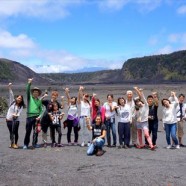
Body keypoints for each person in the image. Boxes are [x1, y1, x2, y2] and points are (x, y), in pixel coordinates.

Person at [23, 78, 44, 149]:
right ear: (32, 93)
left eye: (37, 92)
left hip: (37, 118)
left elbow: (41, 109)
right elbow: (27, 91)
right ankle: (26, 144)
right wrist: (29, 83)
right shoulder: (29, 98)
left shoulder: (39, 101)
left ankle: (34, 143)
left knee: (36, 132)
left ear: (38, 94)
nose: (35, 93)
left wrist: (40, 116)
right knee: (28, 131)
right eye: (34, 92)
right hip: (29, 117)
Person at [6, 83, 25, 149]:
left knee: (15, 132)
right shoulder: (12, 102)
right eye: (18, 98)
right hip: (9, 120)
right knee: (11, 132)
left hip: (16, 121)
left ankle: (15, 143)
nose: (19, 99)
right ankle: (12, 143)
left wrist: (16, 115)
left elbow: (19, 113)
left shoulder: (21, 106)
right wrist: (10, 87)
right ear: (16, 98)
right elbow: (11, 94)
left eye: (20, 99)